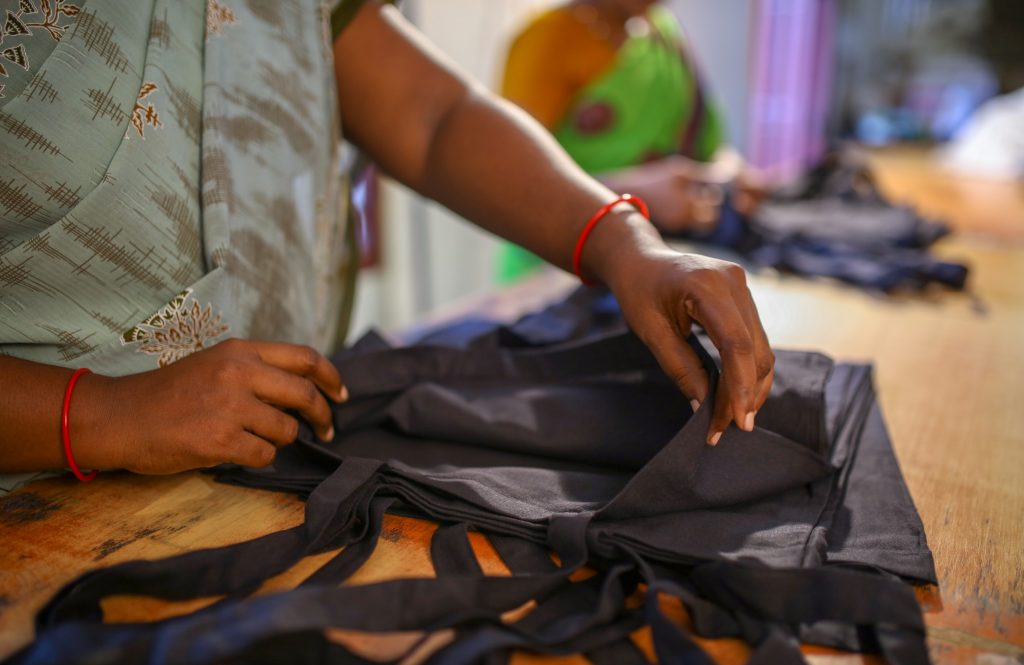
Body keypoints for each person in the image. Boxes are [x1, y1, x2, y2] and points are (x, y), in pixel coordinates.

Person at [0, 0, 773, 492]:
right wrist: (101, 413)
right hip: (38, 518)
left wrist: (626, 243)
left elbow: (432, 116)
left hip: (281, 460)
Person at [498, 0, 769, 281]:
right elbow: (511, 184)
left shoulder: (665, 36)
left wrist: (727, 177)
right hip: (555, 269)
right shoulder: (549, 39)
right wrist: (633, 194)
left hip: (656, 266)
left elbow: (711, 148)